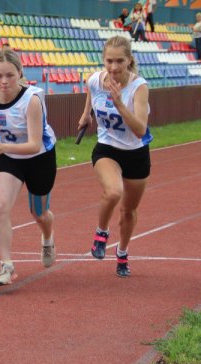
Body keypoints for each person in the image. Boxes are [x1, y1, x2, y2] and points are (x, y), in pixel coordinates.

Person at [0, 49, 58, 286]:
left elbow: (34, 144)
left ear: (20, 73)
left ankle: (48, 238)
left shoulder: (33, 100)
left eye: (9, 75)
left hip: (39, 157)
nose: (4, 81)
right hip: (9, 156)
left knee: (39, 213)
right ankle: (7, 265)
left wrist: (4, 146)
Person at [78, 35, 152, 278]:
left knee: (128, 211)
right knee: (113, 191)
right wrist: (86, 114)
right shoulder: (96, 80)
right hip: (107, 148)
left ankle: (122, 252)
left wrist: (120, 104)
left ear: (129, 60)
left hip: (136, 153)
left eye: (119, 61)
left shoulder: (138, 87)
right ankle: (101, 234)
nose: (113, 67)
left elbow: (140, 129)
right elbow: (91, 91)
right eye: (109, 61)